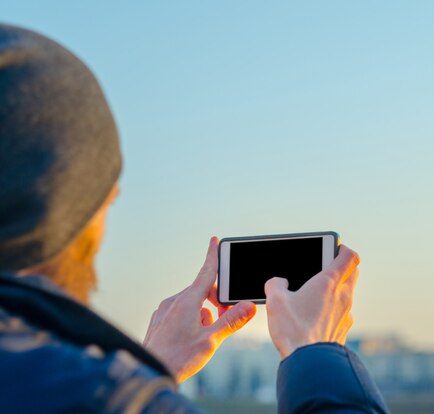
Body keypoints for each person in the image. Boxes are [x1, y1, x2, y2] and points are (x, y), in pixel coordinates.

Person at [0, 23, 389, 413]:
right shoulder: (109, 398)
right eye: (106, 196)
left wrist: (152, 368)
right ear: (68, 206)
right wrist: (317, 352)